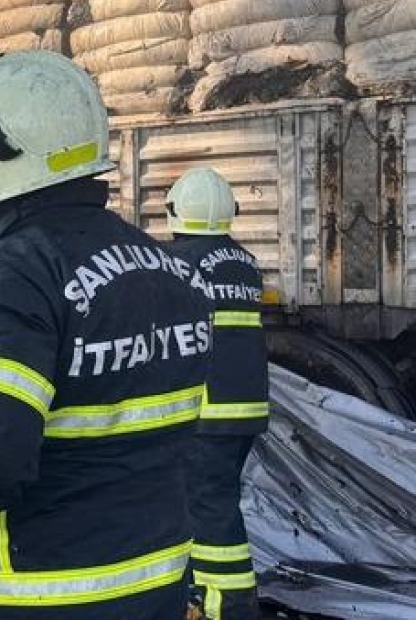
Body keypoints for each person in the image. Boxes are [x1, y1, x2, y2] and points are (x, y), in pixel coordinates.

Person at [0, 51, 214, 620]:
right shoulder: (167, 268)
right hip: (156, 589)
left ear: (3, 157)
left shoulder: (15, 275)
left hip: (34, 597)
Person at [166, 168, 269, 620]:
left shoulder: (178, 263)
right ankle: (204, 595)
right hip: (246, 409)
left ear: (176, 213)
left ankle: (223, 606)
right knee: (215, 499)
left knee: (208, 508)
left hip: (204, 411)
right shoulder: (244, 262)